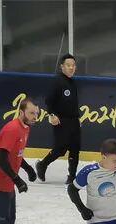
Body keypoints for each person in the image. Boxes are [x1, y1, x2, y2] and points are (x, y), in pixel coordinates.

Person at [36, 53, 81, 184]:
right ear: (62, 66)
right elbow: (48, 100)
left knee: (75, 149)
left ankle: (72, 176)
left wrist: (77, 118)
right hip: (61, 120)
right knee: (60, 149)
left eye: (73, 65)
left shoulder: (73, 82)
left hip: (74, 120)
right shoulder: (57, 81)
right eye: (68, 65)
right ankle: (42, 165)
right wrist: (52, 114)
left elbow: (73, 103)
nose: (71, 68)